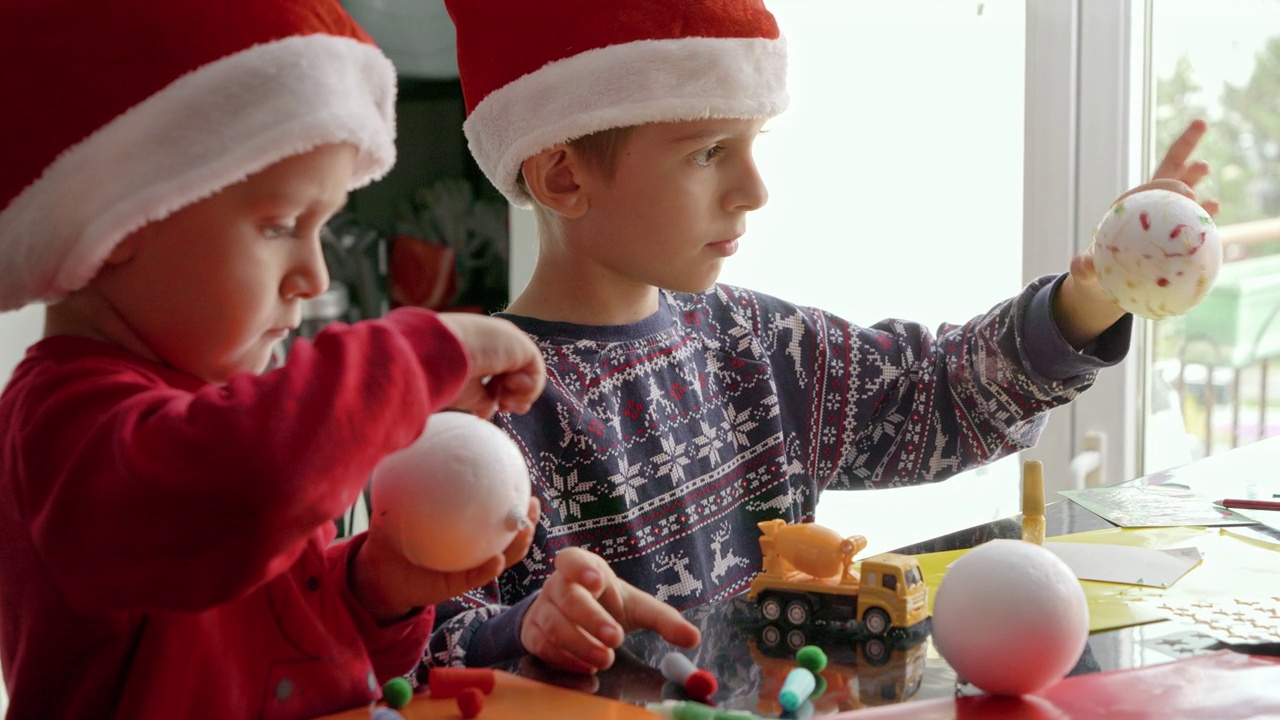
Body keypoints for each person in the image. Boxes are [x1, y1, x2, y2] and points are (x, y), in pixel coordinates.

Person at [424, 0, 1219, 677]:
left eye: (753, 145)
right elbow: (414, 644)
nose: (755, 191)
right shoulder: (472, 411)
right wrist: (522, 629)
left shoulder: (758, 345)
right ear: (564, 176)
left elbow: (940, 396)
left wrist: (1093, 293)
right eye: (708, 153)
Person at [0, 2, 546, 719]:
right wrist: (423, 351)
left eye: (324, 229)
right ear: (119, 222)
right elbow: (247, 488)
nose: (315, 278)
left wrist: (373, 591)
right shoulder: (68, 421)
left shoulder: (227, 422)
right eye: (281, 225)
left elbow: (285, 645)